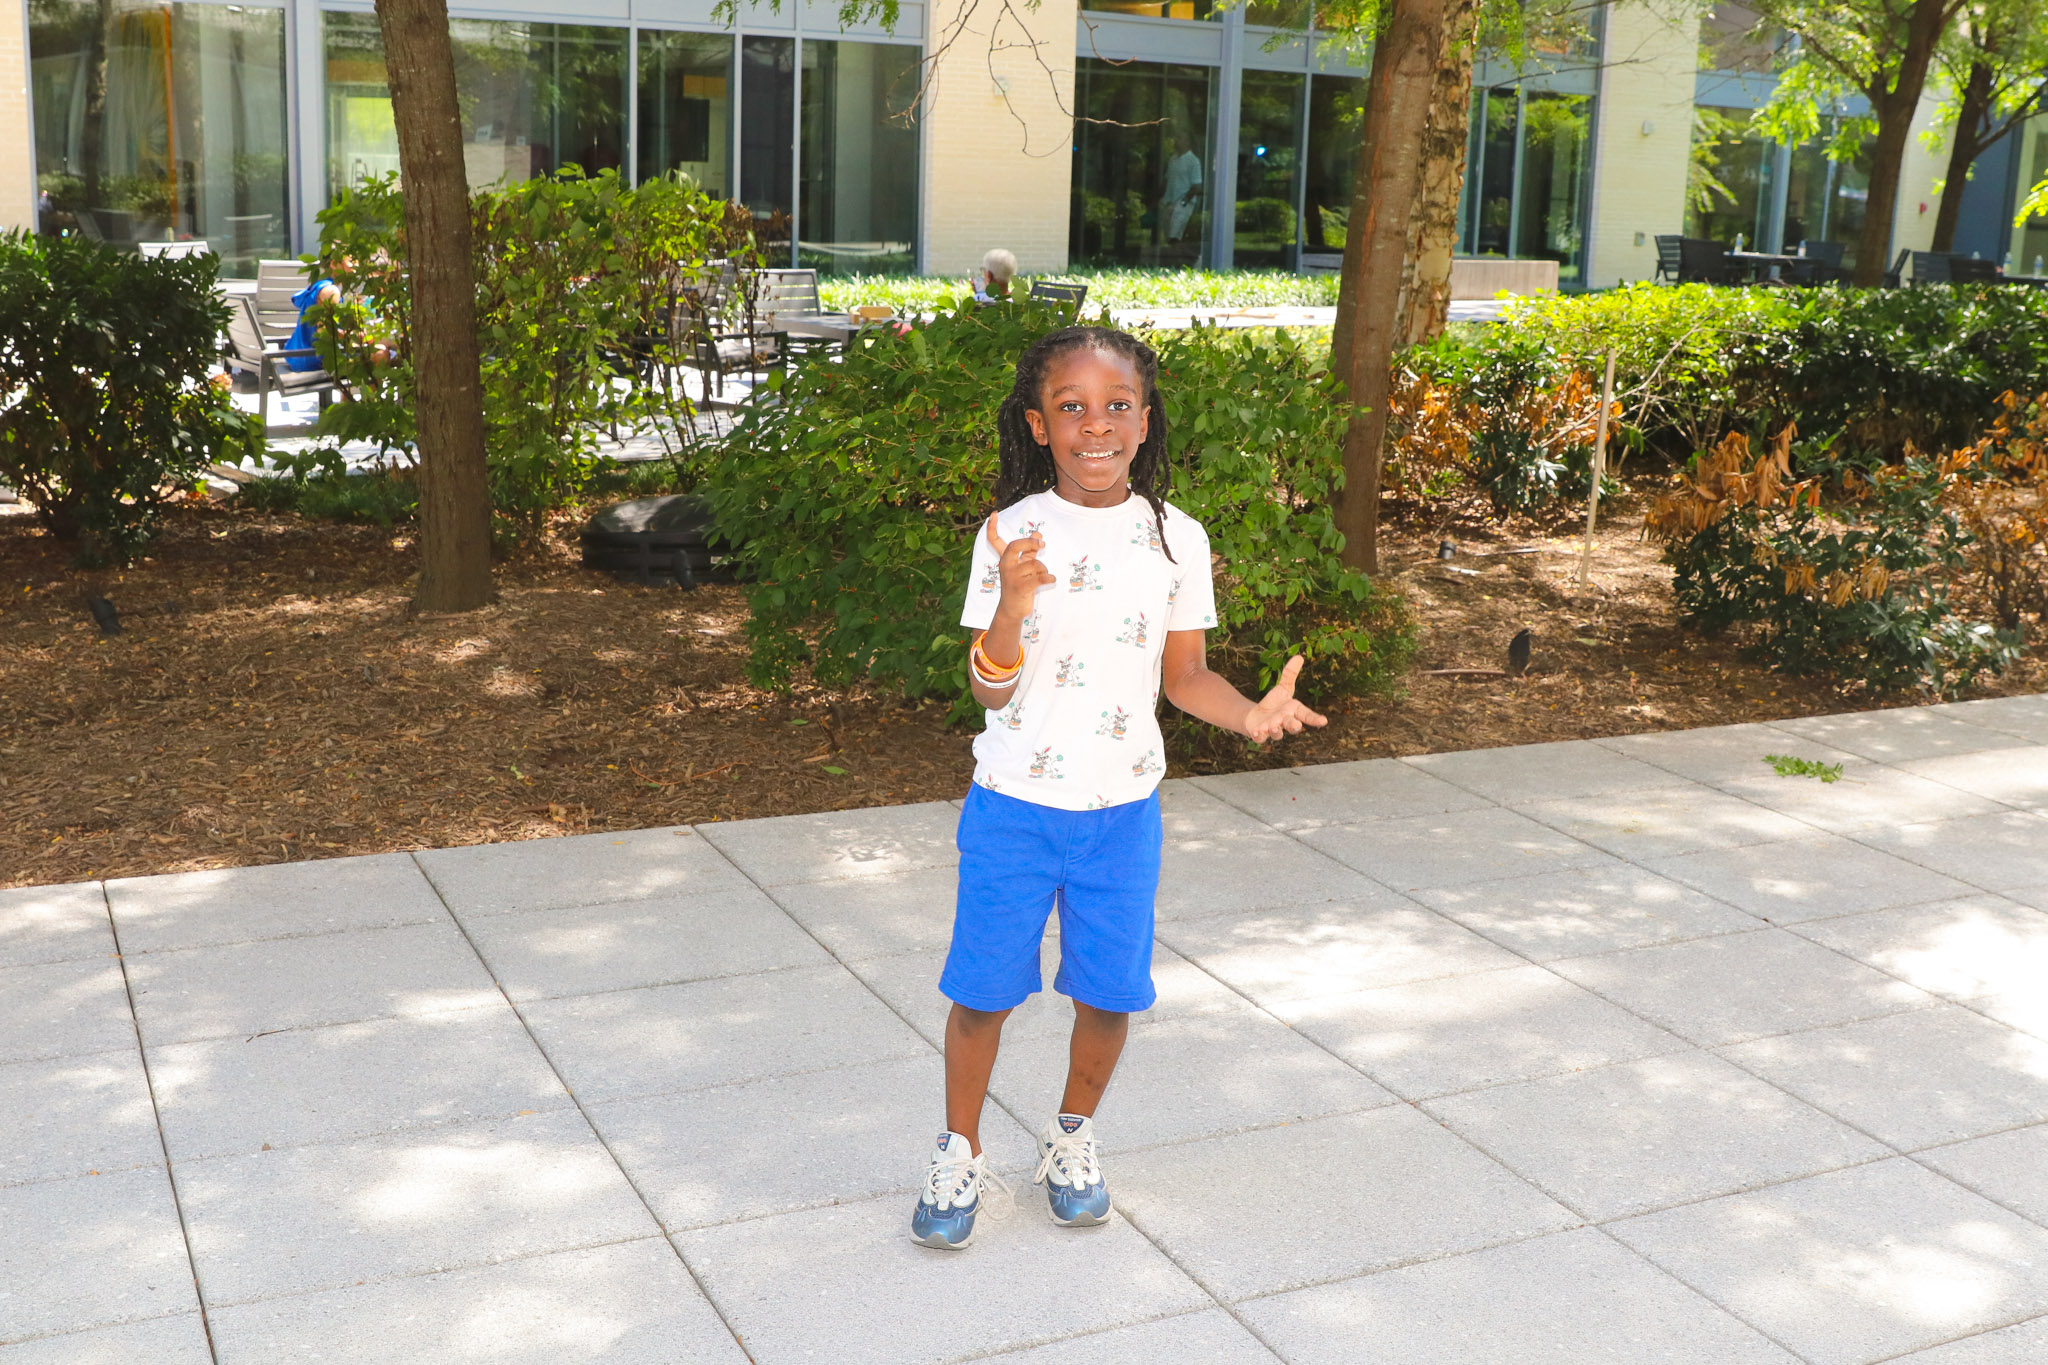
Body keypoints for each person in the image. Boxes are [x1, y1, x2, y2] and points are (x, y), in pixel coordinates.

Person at [910, 326, 1327, 1250]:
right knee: (982, 991)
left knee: (1108, 993)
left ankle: (1071, 1137)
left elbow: (1187, 677)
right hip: (1014, 807)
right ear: (1039, 424)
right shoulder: (1008, 533)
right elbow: (988, 687)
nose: (1095, 425)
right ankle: (958, 1148)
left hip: (1121, 815)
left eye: (1116, 406)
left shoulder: (1176, 538)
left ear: (1143, 421)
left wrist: (1250, 714)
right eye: (1071, 407)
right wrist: (1013, 606)